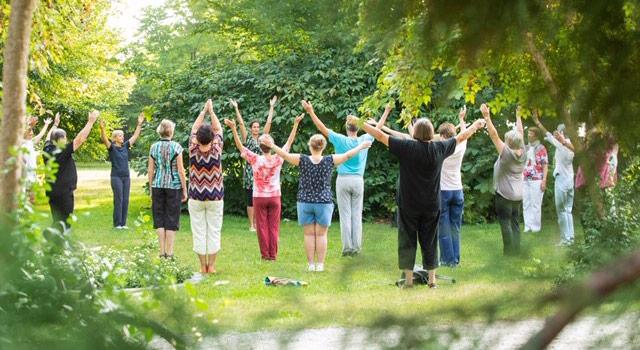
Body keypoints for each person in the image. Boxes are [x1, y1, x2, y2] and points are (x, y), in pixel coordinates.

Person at [351, 111, 486, 288]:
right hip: (431, 204)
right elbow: (461, 137)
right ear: (432, 133)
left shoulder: (407, 147)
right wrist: (475, 125)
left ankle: (408, 282)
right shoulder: (439, 149)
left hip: (408, 204)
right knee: (430, 240)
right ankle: (432, 281)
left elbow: (380, 135)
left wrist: (360, 123)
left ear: (415, 133)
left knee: (407, 240)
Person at [263, 111, 372, 272]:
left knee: (308, 235)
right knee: (321, 235)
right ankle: (320, 265)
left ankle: (310, 265)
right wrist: (361, 146)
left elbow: (284, 155)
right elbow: (348, 155)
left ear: (310, 146)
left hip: (305, 201)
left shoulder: (302, 159)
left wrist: (271, 145)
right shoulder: (330, 160)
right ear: (323, 146)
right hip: (323, 202)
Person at [302, 100, 392, 257]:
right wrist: (386, 111)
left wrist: (310, 111)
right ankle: (356, 247)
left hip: (343, 179)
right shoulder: (365, 139)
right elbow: (378, 130)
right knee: (356, 214)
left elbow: (321, 128)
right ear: (358, 127)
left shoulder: (340, 139)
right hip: (358, 180)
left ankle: (347, 248)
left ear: (346, 127)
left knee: (345, 215)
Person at [226, 113, 304, 261]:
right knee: (274, 226)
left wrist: (233, 129)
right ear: (271, 146)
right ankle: (273, 255)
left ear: (260, 147)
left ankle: (265, 255)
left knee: (261, 227)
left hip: (259, 197)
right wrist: (295, 124)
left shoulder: (255, 159)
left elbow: (240, 146)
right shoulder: (278, 158)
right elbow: (289, 142)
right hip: (275, 197)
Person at [43, 111, 99, 230]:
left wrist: (55, 124)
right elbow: (80, 139)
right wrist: (90, 122)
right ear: (59, 140)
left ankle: (52, 243)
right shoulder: (62, 152)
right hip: (63, 192)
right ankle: (58, 244)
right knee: (65, 222)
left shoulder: (47, 149)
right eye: (64, 138)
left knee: (57, 220)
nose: (66, 140)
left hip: (52, 191)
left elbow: (48, 137)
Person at [482, 104, 526, 256]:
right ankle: (517, 250)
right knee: (515, 223)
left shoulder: (506, 153)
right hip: (518, 194)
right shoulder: (523, 151)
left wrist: (487, 117)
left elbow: (494, 135)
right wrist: (518, 115)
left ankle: (509, 252)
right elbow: (520, 132)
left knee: (505, 223)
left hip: (505, 194)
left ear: (508, 143)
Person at [188, 99, 224, 273]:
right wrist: (211, 111)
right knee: (214, 230)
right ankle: (213, 266)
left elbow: (194, 129)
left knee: (199, 231)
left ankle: (203, 266)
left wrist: (203, 111)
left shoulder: (193, 147)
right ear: (211, 138)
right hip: (215, 197)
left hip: (196, 196)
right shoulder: (216, 148)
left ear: (197, 138)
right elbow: (218, 129)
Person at [230, 96, 276, 231]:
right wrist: (236, 108)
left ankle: (259, 223)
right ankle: (251, 225)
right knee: (250, 198)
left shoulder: (263, 138)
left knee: (261, 196)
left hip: (262, 171)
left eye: (257, 127)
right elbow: (241, 124)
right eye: (254, 127)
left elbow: (269, 123)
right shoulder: (247, 138)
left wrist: (271, 107)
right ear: (251, 129)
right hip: (250, 171)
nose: (256, 129)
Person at [531, 112, 575, 245]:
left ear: (562, 133)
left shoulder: (562, 144)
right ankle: (570, 238)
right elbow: (549, 135)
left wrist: (538, 122)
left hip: (562, 180)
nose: (556, 133)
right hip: (570, 179)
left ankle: (565, 239)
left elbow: (548, 135)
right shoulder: (571, 144)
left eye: (558, 132)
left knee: (561, 211)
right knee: (568, 210)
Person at [148, 119, 187, 259]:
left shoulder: (153, 147)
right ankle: (169, 253)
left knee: (159, 218)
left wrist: (151, 188)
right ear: (171, 131)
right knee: (171, 218)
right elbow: (181, 171)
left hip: (157, 185)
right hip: (173, 186)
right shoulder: (176, 147)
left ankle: (161, 252)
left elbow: (150, 170)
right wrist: (185, 189)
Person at [99, 113, 145, 229]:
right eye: (120, 136)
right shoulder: (112, 147)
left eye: (122, 135)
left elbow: (135, 136)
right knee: (118, 199)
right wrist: (102, 129)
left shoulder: (125, 146)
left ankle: (123, 224)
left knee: (125, 199)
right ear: (114, 138)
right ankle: (117, 224)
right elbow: (104, 139)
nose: (122, 137)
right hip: (116, 177)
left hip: (126, 177)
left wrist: (139, 124)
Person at [437, 106, 469, 267]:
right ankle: (455, 258)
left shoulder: (441, 149)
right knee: (455, 227)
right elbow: (464, 134)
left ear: (443, 136)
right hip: (458, 191)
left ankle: (447, 260)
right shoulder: (461, 146)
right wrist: (461, 119)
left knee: (443, 228)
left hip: (444, 192)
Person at [522, 122, 548, 233]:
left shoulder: (541, 148)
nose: (528, 135)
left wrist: (544, 180)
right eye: (528, 133)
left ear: (536, 136)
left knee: (536, 203)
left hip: (537, 178)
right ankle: (527, 226)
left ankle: (536, 227)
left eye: (530, 133)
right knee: (526, 202)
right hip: (525, 178)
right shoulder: (526, 148)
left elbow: (545, 164)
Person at [22, 114, 54, 202]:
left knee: (31, 198)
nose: (31, 133)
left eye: (32, 132)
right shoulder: (21, 143)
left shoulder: (30, 143)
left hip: (32, 173)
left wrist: (46, 124)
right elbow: (24, 131)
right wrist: (29, 124)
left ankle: (26, 210)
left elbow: (41, 135)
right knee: (26, 197)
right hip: (24, 174)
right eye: (30, 133)